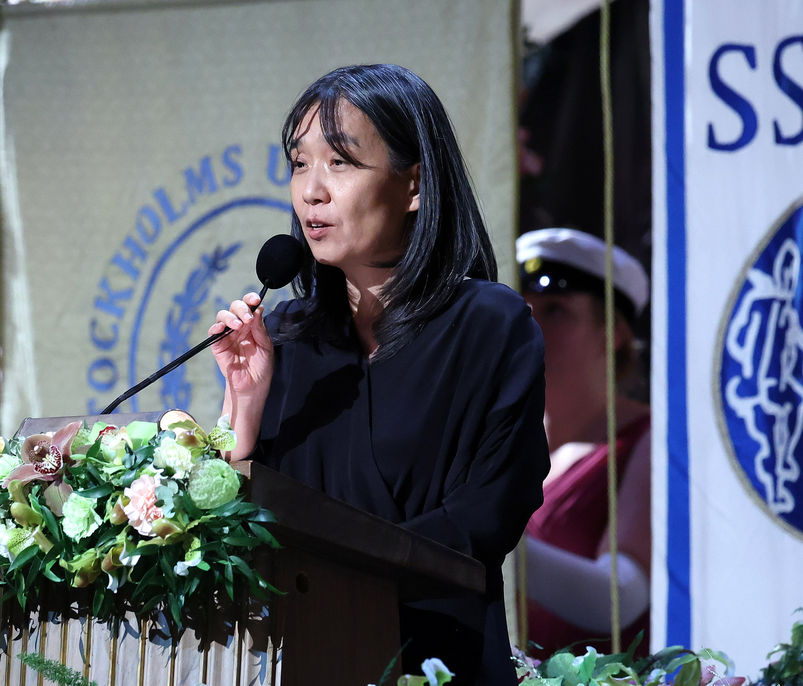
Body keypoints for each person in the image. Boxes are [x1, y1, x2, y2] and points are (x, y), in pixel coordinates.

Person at [209, 64, 551, 684]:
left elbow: (490, 511)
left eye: (340, 162)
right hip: (302, 659)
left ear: (413, 184)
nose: (312, 190)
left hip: (440, 661)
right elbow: (239, 534)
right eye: (298, 163)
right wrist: (244, 413)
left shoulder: (489, 326)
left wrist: (341, 573)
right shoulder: (284, 338)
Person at [515, 228, 652, 657]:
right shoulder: (497, 439)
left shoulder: (648, 439)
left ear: (612, 332)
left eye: (555, 310)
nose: (529, 324)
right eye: (523, 308)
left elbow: (622, 598)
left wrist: (489, 546)